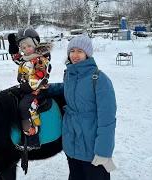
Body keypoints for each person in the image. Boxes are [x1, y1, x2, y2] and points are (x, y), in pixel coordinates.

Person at [48, 35, 117, 180]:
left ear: (87, 53)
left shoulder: (99, 79)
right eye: (72, 50)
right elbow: (65, 88)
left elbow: (107, 120)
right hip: (71, 145)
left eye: (80, 51)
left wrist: (103, 151)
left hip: (92, 148)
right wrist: (43, 89)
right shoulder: (69, 75)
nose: (75, 55)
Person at [8, 28, 52, 150]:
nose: (26, 50)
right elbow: (17, 59)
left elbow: (36, 80)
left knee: (26, 106)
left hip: (37, 89)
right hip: (26, 89)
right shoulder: (27, 58)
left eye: (29, 46)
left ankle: (33, 139)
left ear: (36, 45)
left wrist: (22, 88)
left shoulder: (41, 59)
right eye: (23, 48)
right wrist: (13, 46)